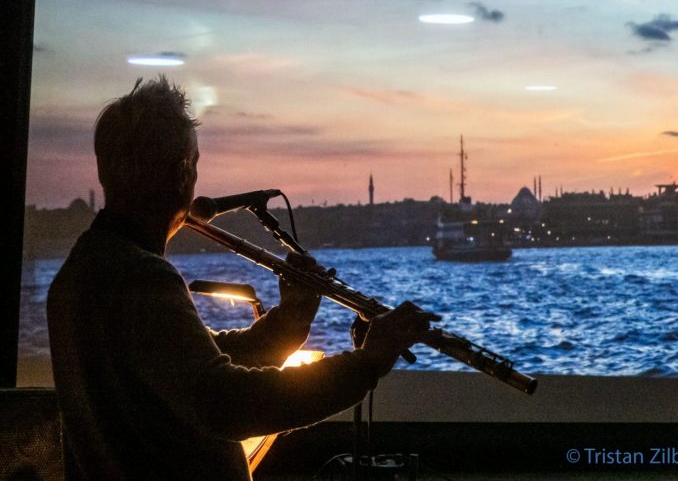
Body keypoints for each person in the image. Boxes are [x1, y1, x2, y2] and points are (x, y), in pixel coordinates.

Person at [46, 75, 439, 480]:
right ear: (182, 172)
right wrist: (366, 363)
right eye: (195, 165)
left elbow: (204, 363)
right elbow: (226, 403)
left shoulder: (82, 272)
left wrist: (291, 318)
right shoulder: (140, 278)